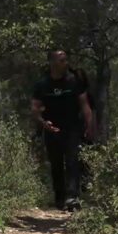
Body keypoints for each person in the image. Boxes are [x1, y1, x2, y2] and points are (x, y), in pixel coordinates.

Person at [31, 50, 94, 211]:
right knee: (56, 164)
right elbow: (35, 110)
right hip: (52, 130)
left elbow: (85, 106)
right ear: (52, 63)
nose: (66, 63)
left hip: (73, 128)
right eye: (62, 60)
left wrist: (90, 126)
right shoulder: (42, 85)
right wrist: (43, 123)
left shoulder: (74, 81)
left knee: (73, 161)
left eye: (66, 59)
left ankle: (72, 197)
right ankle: (60, 198)